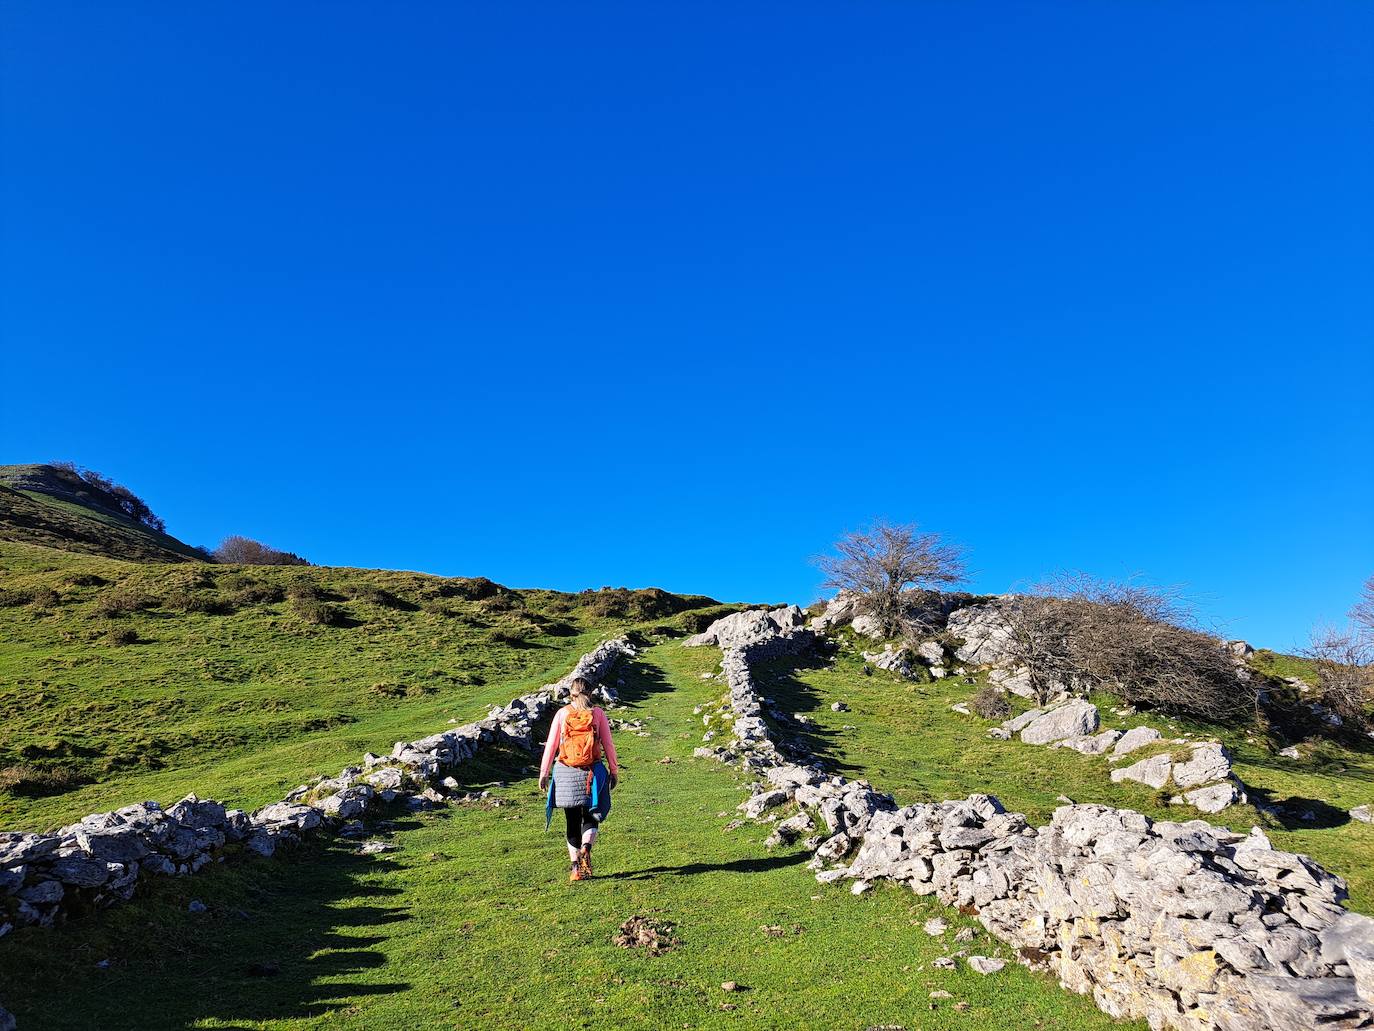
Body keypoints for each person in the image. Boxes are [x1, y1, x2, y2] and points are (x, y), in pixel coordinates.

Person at [539, 677, 619, 881]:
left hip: (565, 772)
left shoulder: (562, 714)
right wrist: (614, 770)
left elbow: (551, 745)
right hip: (593, 772)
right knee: (591, 815)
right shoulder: (598, 713)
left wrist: (544, 773)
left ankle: (575, 868)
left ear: (570, 693)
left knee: (571, 820)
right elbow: (608, 745)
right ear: (591, 693)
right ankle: (586, 847)